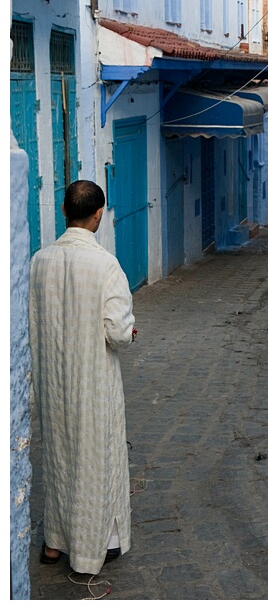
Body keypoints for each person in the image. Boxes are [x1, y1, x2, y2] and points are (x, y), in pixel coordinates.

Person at [29, 180, 136, 574]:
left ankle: (54, 543)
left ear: (62, 211)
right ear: (98, 214)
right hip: (91, 382)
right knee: (97, 460)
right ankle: (94, 549)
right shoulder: (105, 264)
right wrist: (129, 330)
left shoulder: (39, 260)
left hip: (53, 382)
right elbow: (118, 332)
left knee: (58, 459)